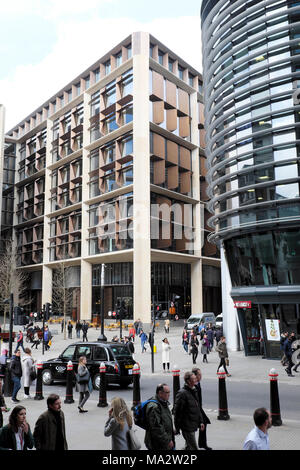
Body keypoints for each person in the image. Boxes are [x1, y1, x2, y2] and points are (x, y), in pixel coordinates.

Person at [173, 371, 204, 450]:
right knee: (194, 447)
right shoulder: (182, 394)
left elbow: (197, 407)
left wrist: (201, 421)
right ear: (188, 381)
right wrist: (177, 427)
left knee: (188, 446)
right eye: (194, 379)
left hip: (193, 424)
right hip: (187, 426)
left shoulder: (194, 390)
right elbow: (177, 412)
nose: (196, 379)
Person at [144, 383, 175, 450]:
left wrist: (171, 430)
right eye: (167, 392)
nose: (169, 394)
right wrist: (167, 440)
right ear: (160, 393)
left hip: (163, 441)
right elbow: (157, 427)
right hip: (157, 444)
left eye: (169, 392)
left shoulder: (163, 402)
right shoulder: (154, 407)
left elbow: (164, 420)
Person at [192, 367, 212, 450]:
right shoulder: (193, 386)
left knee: (204, 423)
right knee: (191, 429)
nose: (201, 376)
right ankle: (194, 445)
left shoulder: (198, 383)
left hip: (199, 408)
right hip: (195, 409)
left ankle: (202, 443)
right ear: (195, 376)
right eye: (200, 374)